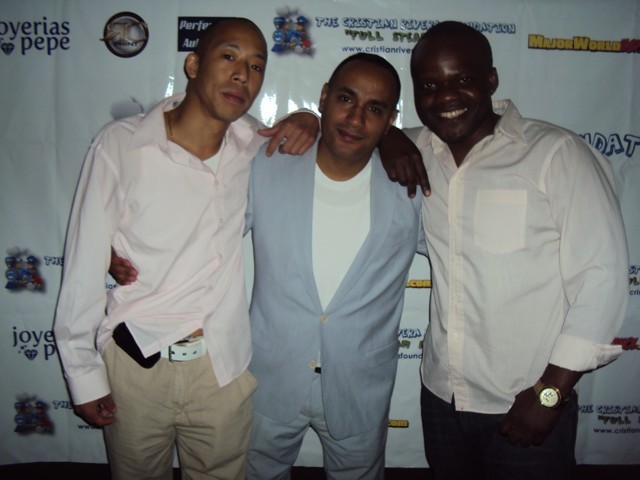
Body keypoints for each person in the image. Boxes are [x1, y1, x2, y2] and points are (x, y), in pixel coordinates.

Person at [53, 18, 318, 480]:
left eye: (256, 66)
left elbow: (338, 143)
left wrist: (310, 119)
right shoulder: (121, 145)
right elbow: (82, 267)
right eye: (229, 56)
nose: (242, 74)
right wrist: (83, 374)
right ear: (193, 65)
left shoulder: (257, 148)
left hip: (222, 367)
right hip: (136, 364)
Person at [380, 20, 629, 480]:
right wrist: (386, 133)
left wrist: (550, 395)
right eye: (429, 85)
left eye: (462, 79)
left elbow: (603, 278)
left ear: (491, 80)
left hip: (528, 399)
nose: (445, 96)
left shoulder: (556, 154)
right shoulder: (417, 148)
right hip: (441, 397)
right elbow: (348, 127)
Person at [244, 53, 425, 479]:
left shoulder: (413, 187)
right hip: (268, 380)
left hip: (360, 387)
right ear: (324, 96)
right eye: (346, 98)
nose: (356, 119)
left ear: (391, 119)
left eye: (374, 109)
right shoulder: (265, 164)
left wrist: (399, 138)